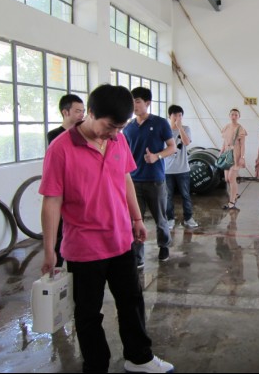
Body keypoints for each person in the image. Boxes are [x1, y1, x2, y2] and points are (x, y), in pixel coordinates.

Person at [38, 84, 174, 373]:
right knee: (88, 314)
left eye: (120, 127)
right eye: (110, 126)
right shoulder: (60, 149)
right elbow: (52, 201)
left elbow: (125, 178)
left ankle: (139, 358)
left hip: (121, 240)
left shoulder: (118, 139)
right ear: (90, 113)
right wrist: (49, 250)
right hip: (84, 247)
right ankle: (96, 366)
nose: (114, 133)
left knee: (132, 302)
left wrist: (137, 219)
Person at [123, 87, 177, 267]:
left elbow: (172, 147)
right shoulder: (128, 127)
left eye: (137, 101)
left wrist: (157, 156)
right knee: (135, 220)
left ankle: (164, 246)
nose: (134, 105)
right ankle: (138, 256)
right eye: (132, 102)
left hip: (155, 180)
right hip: (133, 181)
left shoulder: (160, 123)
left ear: (147, 103)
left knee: (160, 218)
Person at [47, 94, 85, 267]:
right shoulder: (55, 136)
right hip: (62, 191)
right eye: (77, 111)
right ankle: (55, 265)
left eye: (83, 111)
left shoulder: (84, 135)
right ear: (65, 112)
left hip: (80, 190)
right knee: (59, 230)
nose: (81, 115)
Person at [164, 105, 198, 229]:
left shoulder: (186, 129)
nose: (177, 118)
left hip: (183, 169)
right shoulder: (165, 130)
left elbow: (186, 142)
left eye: (180, 115)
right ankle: (170, 219)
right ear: (169, 116)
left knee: (185, 195)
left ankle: (188, 218)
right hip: (167, 170)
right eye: (175, 115)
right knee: (168, 196)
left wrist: (180, 128)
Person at [220, 109, 247, 210]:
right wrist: (221, 151)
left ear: (239, 116)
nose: (234, 116)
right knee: (227, 179)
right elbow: (225, 141)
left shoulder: (240, 128)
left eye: (236, 115)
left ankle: (231, 202)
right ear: (229, 115)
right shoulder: (227, 127)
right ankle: (235, 194)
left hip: (236, 154)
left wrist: (242, 157)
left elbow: (242, 145)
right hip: (227, 154)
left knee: (231, 178)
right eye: (232, 114)